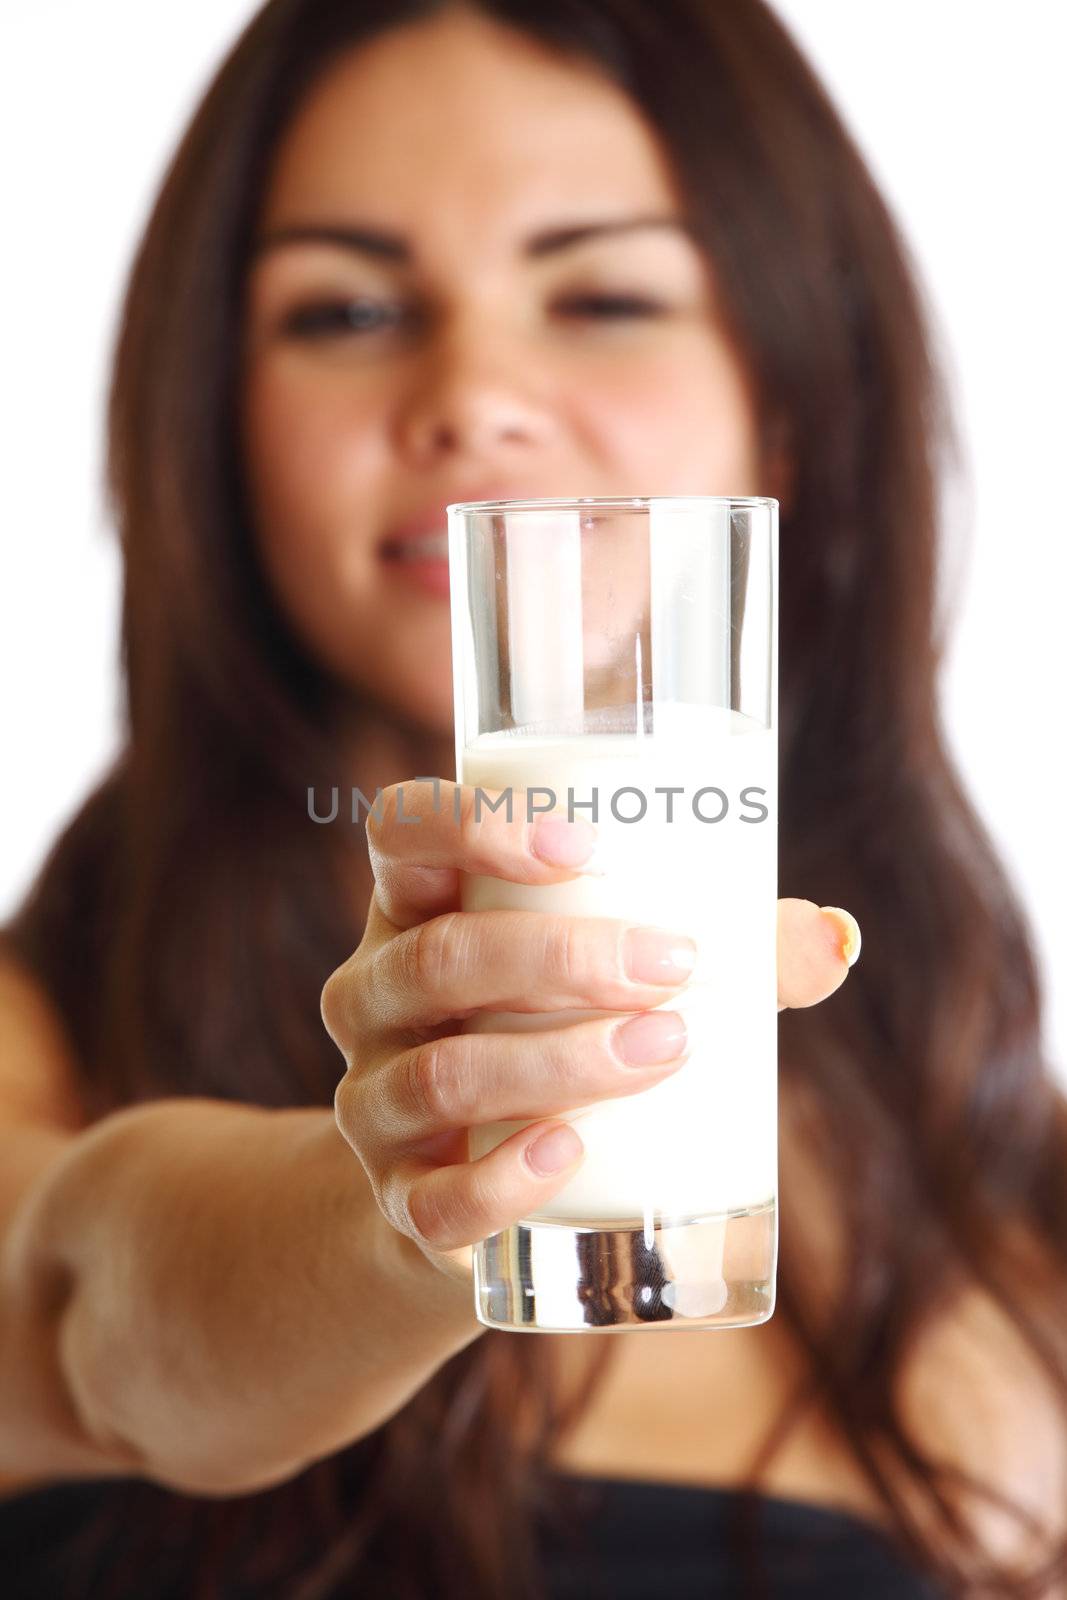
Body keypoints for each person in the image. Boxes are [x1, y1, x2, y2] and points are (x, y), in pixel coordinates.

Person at [1, 1, 1064, 1596]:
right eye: (347, 309)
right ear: (211, 417)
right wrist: (418, 1208)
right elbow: (100, 1316)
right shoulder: (34, 1050)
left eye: (606, 294)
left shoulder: (995, 1181)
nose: (475, 396)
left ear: (798, 396)